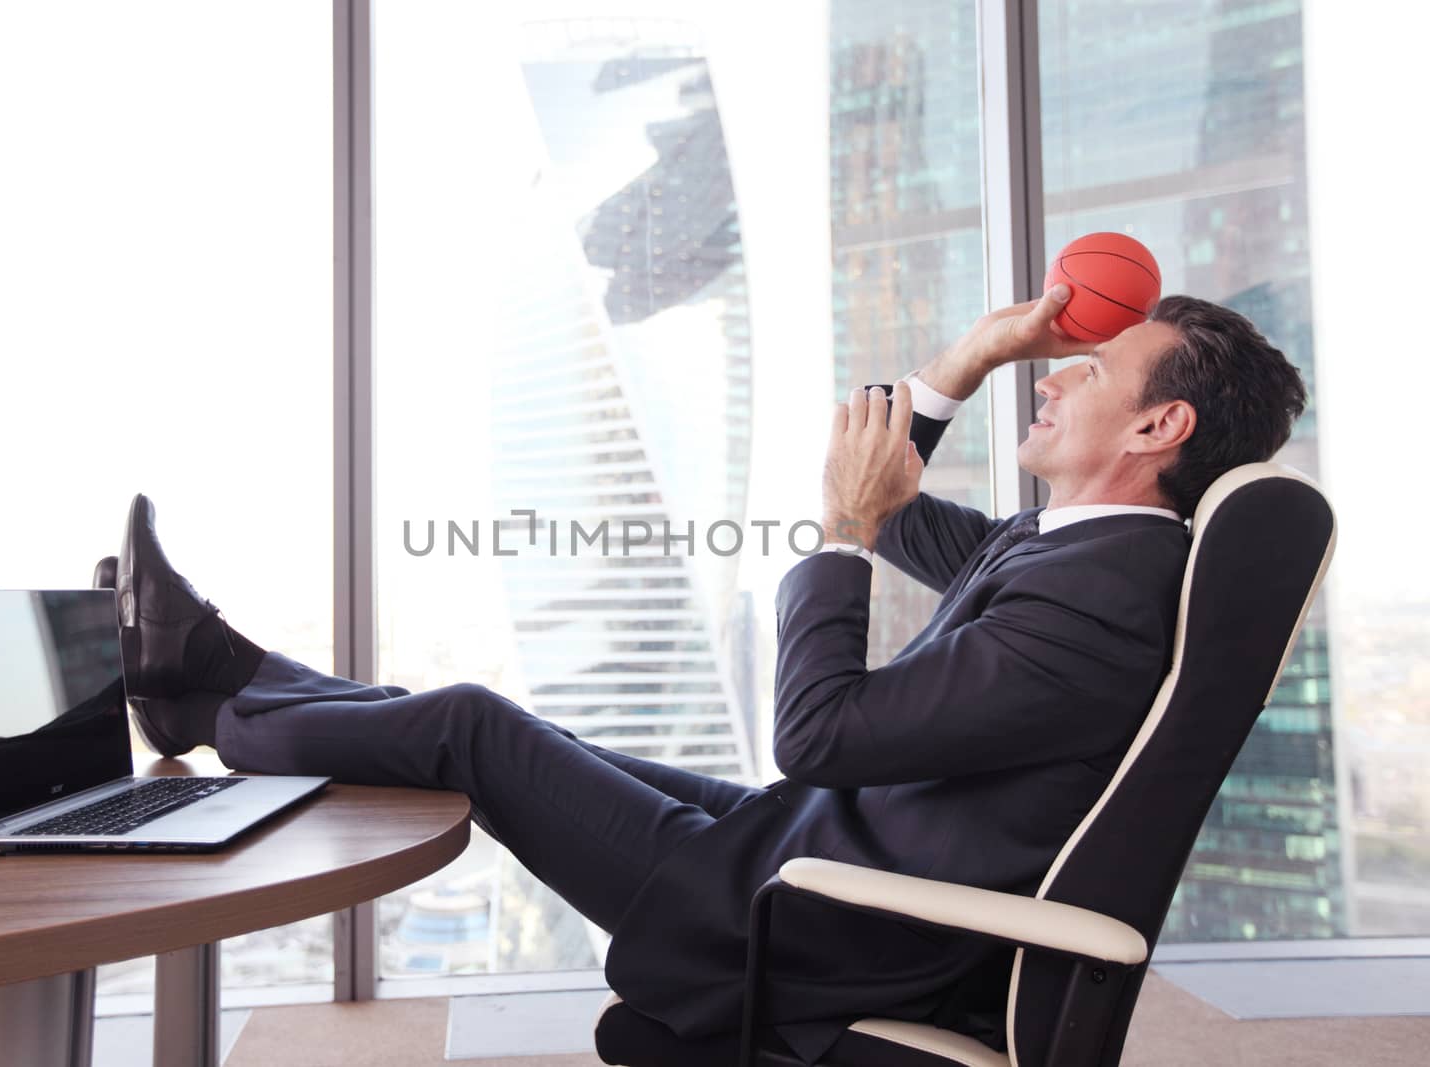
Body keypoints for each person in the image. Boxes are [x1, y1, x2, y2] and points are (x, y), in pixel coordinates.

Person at [98, 285, 1306, 1061]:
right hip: (814, 847)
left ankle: (204, 687)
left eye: (1088, 374)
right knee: (497, 719)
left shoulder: (1098, 601)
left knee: (469, 723)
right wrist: (977, 353)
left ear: (1159, 431)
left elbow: (821, 728)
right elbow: (896, 505)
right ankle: (212, 671)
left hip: (819, 919)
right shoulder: (1075, 555)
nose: (1054, 376)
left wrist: (837, 536)